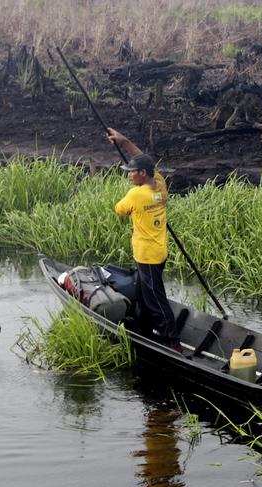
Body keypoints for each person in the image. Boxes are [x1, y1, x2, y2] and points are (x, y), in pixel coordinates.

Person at [107, 128, 176, 346]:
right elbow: (145, 160)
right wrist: (124, 141)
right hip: (159, 252)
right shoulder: (160, 184)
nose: (129, 174)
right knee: (144, 293)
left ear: (142, 174)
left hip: (147, 256)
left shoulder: (136, 194)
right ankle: (143, 327)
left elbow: (119, 209)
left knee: (156, 299)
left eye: (132, 171)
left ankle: (171, 340)